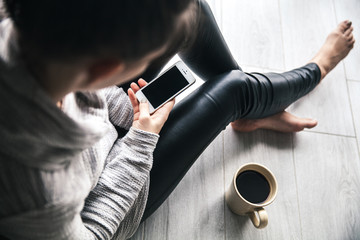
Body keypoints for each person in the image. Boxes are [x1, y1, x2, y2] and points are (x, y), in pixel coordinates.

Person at [0, 0, 354, 239]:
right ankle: (315, 70)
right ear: (107, 69)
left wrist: (127, 111)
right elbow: (95, 231)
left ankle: (250, 108)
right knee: (232, 89)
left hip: (105, 125)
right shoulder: (38, 191)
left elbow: (89, 102)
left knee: (185, 8)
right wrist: (140, 138)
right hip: (116, 193)